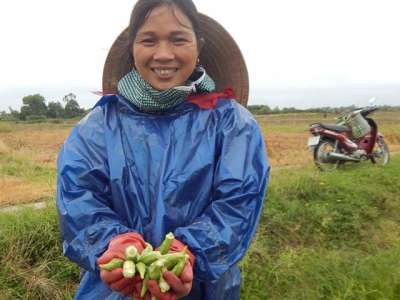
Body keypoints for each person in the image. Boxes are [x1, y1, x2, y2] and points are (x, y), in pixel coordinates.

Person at [56, 0, 269, 299]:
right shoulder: (99, 125)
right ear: (132, 47)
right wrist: (112, 244)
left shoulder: (231, 123)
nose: (164, 54)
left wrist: (189, 254)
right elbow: (78, 197)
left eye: (179, 38)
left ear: (199, 45)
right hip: (115, 289)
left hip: (202, 288)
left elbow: (239, 203)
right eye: (148, 40)